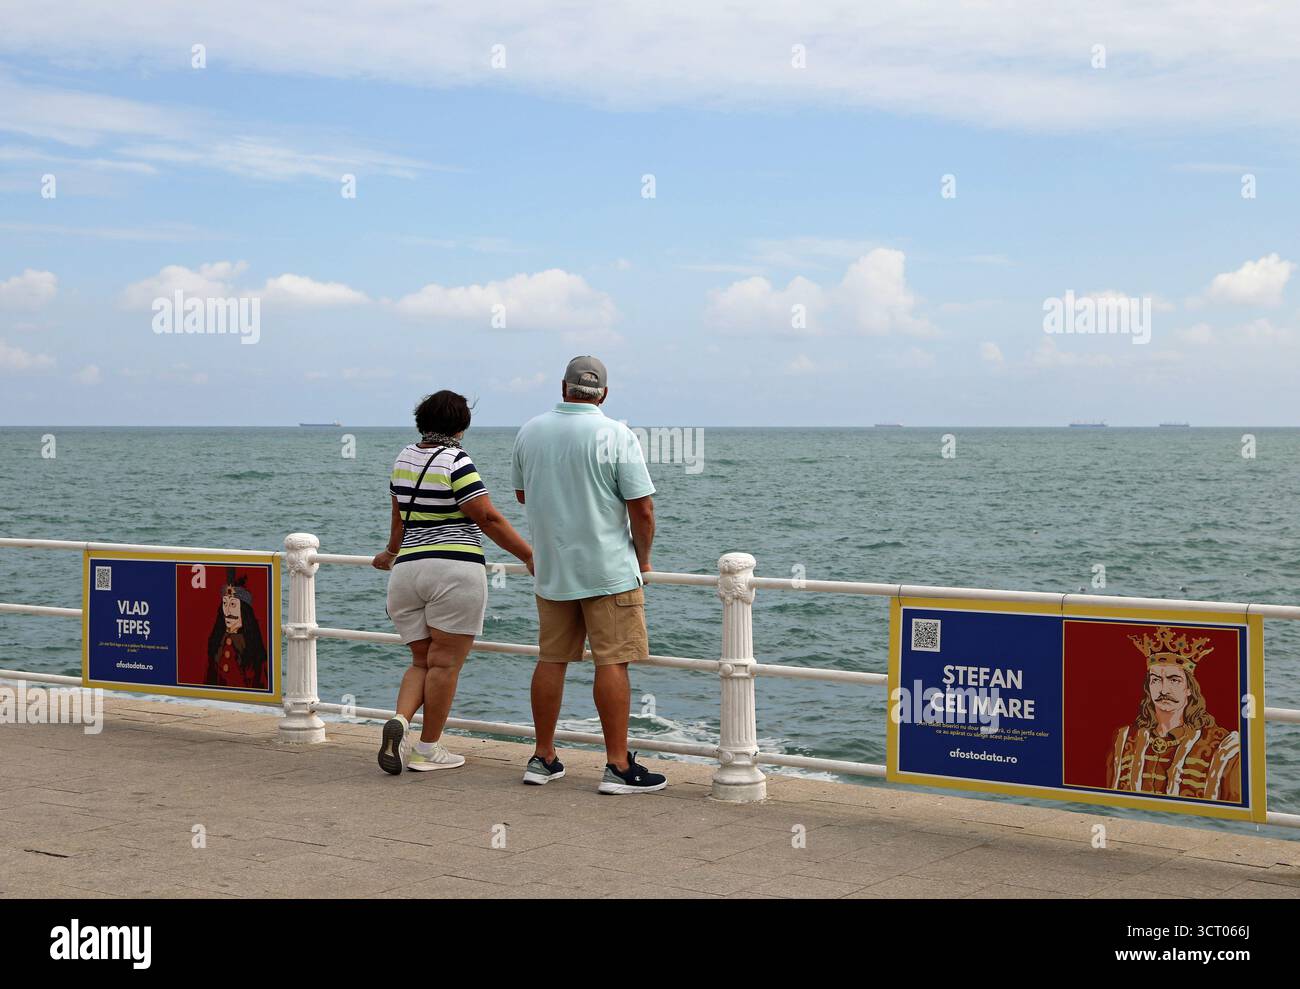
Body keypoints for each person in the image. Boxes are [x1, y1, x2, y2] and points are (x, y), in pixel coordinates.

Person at [510, 356, 666, 794]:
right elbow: (643, 508)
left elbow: (523, 495)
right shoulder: (617, 434)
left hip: (553, 569)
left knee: (551, 660)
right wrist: (645, 558)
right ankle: (617, 766)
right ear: (605, 394)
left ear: (563, 388)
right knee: (611, 662)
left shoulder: (530, 431)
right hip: (609, 570)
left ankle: (542, 757)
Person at [372, 390, 533, 775]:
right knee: (444, 664)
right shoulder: (456, 461)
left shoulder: (403, 457)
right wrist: (529, 556)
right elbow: (487, 518)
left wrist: (390, 553)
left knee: (420, 661)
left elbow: (399, 519)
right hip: (453, 569)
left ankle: (401, 720)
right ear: (462, 426)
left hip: (407, 572)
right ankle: (428, 749)